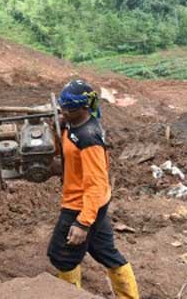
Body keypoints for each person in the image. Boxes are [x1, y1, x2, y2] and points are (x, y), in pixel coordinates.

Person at [47, 79, 139, 298]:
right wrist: (59, 127)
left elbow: (97, 184)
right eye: (62, 106)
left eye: (68, 108)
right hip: (94, 204)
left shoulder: (89, 139)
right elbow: (65, 152)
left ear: (84, 108)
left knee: (61, 256)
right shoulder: (74, 123)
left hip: (81, 205)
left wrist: (82, 223)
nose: (64, 111)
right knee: (105, 252)